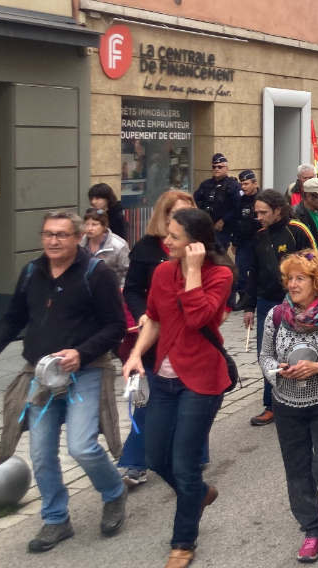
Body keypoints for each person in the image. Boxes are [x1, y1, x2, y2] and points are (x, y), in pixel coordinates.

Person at [0, 210, 128, 552]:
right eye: (48, 234)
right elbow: (13, 318)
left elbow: (116, 327)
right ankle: (56, 519)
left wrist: (81, 353)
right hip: (40, 375)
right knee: (41, 454)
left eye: (62, 235)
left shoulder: (96, 274)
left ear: (77, 237)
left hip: (85, 371)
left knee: (81, 446)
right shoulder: (31, 272)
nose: (53, 241)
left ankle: (114, 493)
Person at [122, 208, 234, 568]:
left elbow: (199, 316)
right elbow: (153, 318)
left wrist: (192, 272)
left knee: (185, 464)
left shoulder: (220, 274)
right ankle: (199, 494)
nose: (165, 241)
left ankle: (183, 542)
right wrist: (137, 355)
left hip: (201, 379)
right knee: (154, 457)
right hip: (162, 377)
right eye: (166, 234)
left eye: (173, 236)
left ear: (195, 243)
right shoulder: (160, 271)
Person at [258, 249, 318, 562]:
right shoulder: (275, 316)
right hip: (288, 405)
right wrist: (278, 371)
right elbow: (264, 358)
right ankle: (312, 530)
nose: (293, 283)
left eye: (300, 278)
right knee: (297, 471)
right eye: (289, 278)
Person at [119, 190, 196, 485]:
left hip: (189, 336)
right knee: (148, 399)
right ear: (163, 217)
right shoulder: (146, 248)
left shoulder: (201, 250)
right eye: (176, 214)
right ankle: (136, 462)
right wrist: (141, 313)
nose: (182, 220)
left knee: (192, 399)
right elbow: (133, 289)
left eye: (188, 214)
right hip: (154, 334)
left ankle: (195, 455)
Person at [242, 189, 316, 426]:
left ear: (278, 210)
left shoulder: (298, 231)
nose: (259, 217)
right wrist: (249, 306)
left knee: (294, 351)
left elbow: (315, 265)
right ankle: (270, 404)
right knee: (267, 354)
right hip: (265, 303)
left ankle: (299, 398)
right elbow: (253, 272)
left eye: (264, 212)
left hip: (294, 303)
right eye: (257, 212)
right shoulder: (259, 234)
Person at [193, 153, 242, 250]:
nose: (216, 169)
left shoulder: (233, 185)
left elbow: (238, 207)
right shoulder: (206, 184)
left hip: (222, 230)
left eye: (219, 167)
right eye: (214, 167)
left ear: (226, 168)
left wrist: (223, 220)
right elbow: (194, 200)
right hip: (205, 228)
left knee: (219, 256)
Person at [230, 170, 261, 300]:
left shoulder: (262, 199)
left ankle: (258, 295)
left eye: (246, 184)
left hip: (259, 240)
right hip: (243, 241)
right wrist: (234, 242)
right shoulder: (241, 200)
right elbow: (237, 221)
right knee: (240, 270)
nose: (243, 187)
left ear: (254, 183)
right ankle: (243, 296)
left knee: (259, 269)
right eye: (242, 184)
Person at [85, 208, 130, 284]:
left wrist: (120, 289)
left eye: (94, 224)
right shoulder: (79, 243)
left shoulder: (118, 245)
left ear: (104, 226)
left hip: (111, 288)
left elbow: (128, 271)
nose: (89, 228)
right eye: (86, 224)